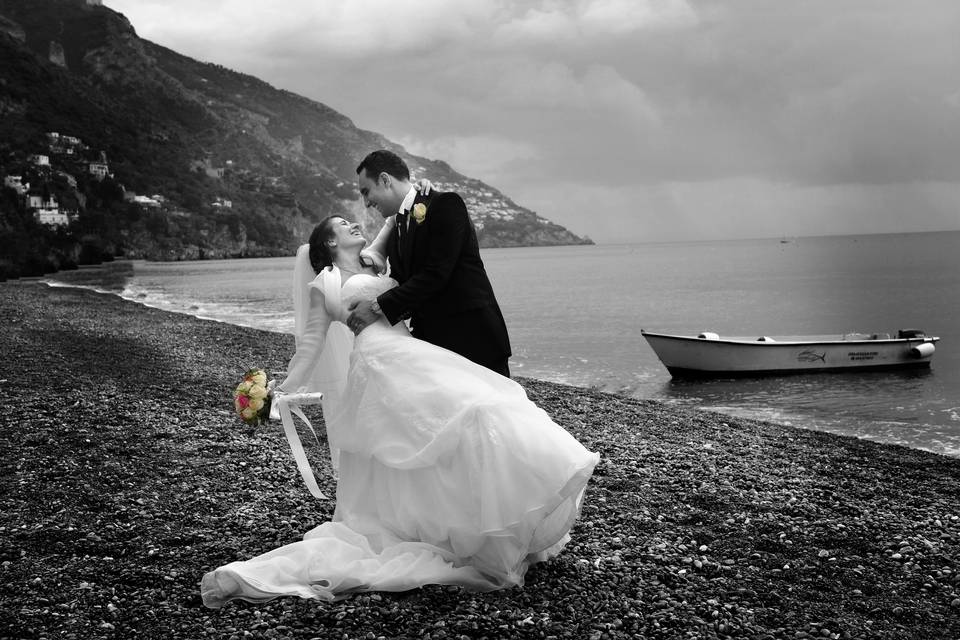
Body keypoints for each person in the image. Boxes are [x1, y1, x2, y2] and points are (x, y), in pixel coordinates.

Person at [200, 216, 599, 608]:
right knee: (446, 425)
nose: (354, 224)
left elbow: (393, 224)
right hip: (379, 363)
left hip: (411, 351)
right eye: (342, 224)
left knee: (471, 414)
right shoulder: (325, 283)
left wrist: (410, 203)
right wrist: (282, 388)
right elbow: (312, 342)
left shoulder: (374, 263)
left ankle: (485, 521)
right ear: (329, 244)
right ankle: (450, 532)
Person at [347, 150, 512, 377]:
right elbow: (403, 282)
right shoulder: (396, 228)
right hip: (435, 344)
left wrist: (377, 306)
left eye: (366, 192)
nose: (366, 203)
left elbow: (437, 273)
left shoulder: (445, 204)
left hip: (474, 338)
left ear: (385, 180)